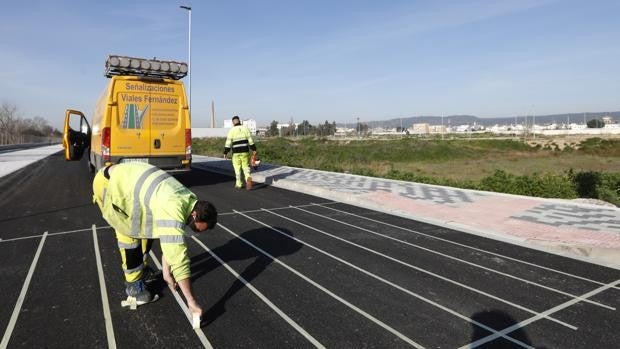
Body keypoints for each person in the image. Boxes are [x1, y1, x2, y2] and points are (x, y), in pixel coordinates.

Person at [92, 162, 217, 318]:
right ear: (194, 215)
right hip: (109, 186)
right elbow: (177, 257)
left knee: (148, 233)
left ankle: (141, 271)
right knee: (129, 236)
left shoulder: (190, 200)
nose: (194, 231)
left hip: (126, 178)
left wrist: (166, 274)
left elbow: (170, 242)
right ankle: (133, 287)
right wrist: (191, 302)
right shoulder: (174, 208)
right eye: (197, 228)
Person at [224, 115, 257, 190]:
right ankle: (248, 177)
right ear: (239, 121)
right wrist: (254, 149)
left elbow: (228, 143)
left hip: (236, 153)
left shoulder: (232, 130)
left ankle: (239, 184)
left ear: (233, 123)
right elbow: (250, 140)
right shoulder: (245, 128)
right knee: (245, 166)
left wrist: (225, 152)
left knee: (237, 168)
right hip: (245, 151)